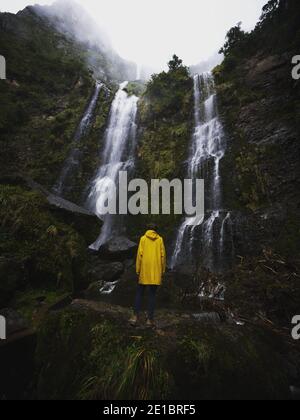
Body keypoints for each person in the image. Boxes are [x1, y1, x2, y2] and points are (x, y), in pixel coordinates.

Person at [130, 224, 166, 328]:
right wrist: (162, 270)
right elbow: (163, 256)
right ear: (156, 230)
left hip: (144, 270)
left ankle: (135, 317)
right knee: (152, 295)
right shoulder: (160, 240)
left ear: (148, 229)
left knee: (139, 293)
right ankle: (150, 320)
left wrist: (138, 269)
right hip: (155, 271)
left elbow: (139, 255)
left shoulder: (143, 239)